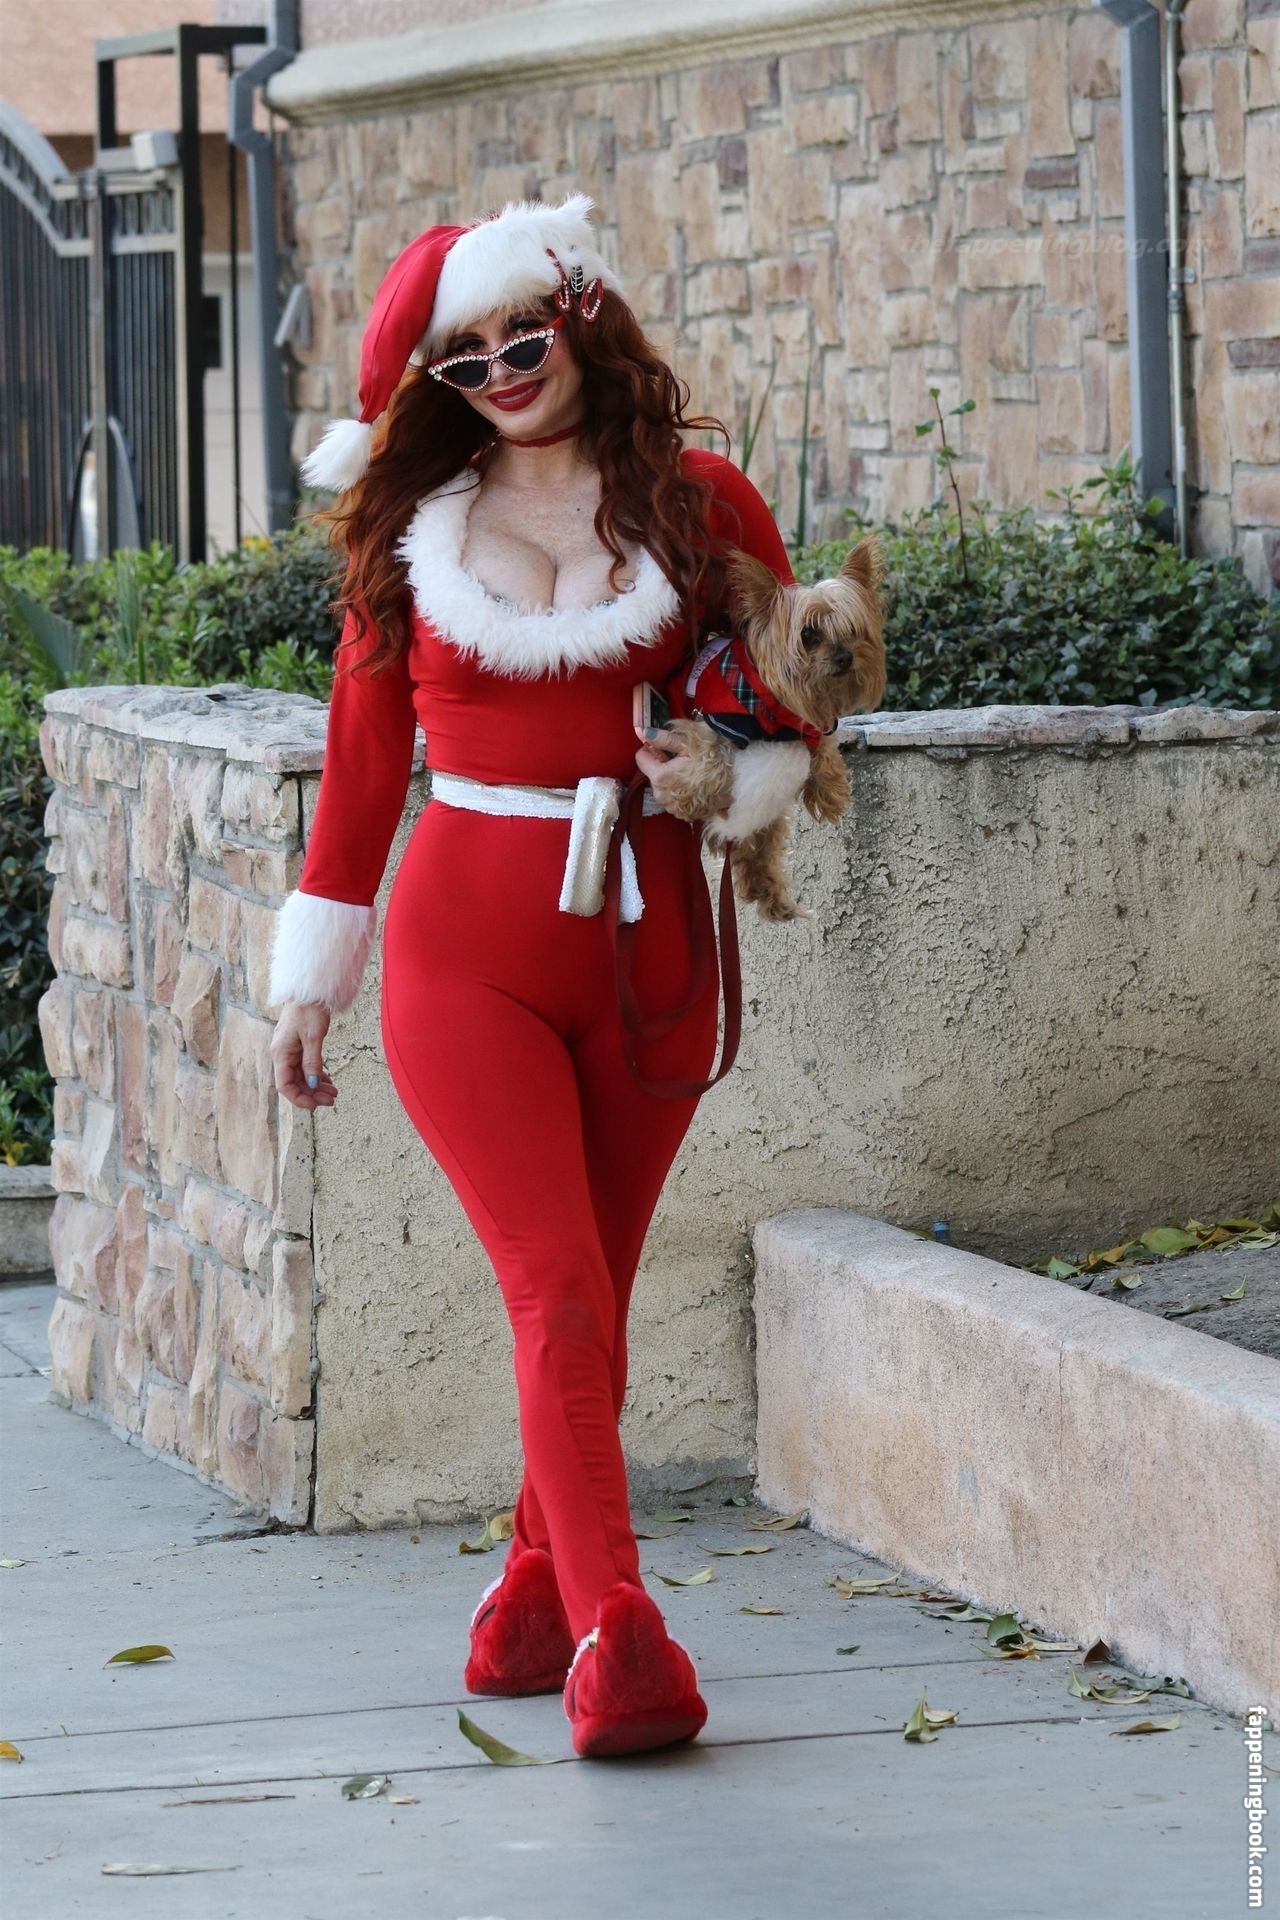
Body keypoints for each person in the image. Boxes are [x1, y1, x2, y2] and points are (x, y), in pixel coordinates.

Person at [267, 193, 795, 1759]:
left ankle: (523, 1594)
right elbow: (364, 767)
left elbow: (792, 698)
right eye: (466, 359)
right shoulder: (412, 535)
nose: (503, 370)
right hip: (463, 954)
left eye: (523, 335)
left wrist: (729, 769)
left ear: (577, 314)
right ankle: (620, 1638)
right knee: (553, 1288)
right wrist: (310, 979)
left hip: (650, 943)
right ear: (435, 385)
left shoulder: (700, 500)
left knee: (596, 1300)